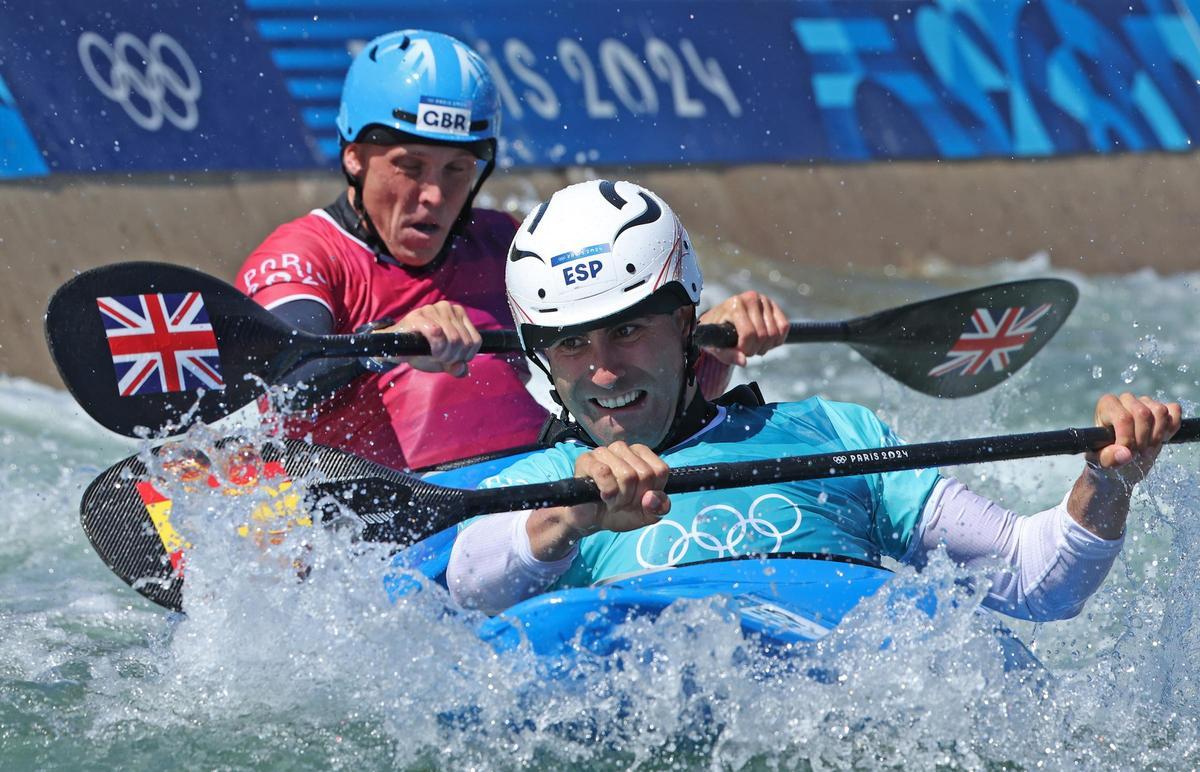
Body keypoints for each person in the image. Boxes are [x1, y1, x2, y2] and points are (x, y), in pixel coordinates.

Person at [446, 179, 1183, 620]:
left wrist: (1106, 479)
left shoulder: (833, 433)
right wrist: (572, 515)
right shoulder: (539, 493)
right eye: (572, 345)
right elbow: (469, 590)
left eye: (628, 331)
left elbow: (1032, 582)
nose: (602, 370)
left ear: (683, 325)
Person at [235, 30, 787, 470]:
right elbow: (277, 385)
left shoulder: (511, 247)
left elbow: (631, 387)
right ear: (354, 157)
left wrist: (704, 337)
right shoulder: (301, 257)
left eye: (456, 170)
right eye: (409, 167)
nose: (434, 195)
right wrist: (388, 344)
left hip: (532, 492)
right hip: (376, 516)